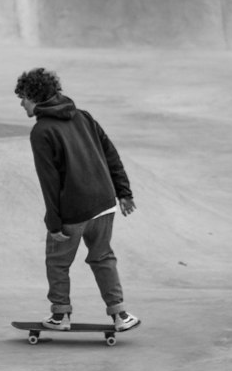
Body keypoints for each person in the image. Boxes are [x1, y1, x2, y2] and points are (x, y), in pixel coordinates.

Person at [15, 67, 140, 332]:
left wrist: (54, 223)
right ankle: (120, 314)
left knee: (58, 262)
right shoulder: (83, 117)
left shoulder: (42, 131)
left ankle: (60, 316)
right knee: (103, 257)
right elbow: (111, 154)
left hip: (74, 210)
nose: (21, 104)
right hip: (105, 204)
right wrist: (124, 192)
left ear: (32, 96)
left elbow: (49, 181)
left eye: (22, 98)